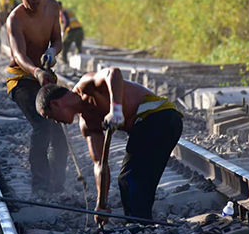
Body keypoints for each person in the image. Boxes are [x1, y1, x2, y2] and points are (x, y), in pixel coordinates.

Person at [35, 67, 183, 223]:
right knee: (140, 178)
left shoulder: (87, 86)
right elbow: (100, 164)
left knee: (129, 178)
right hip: (153, 127)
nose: (56, 122)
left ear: (56, 104)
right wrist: (101, 203)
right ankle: (142, 224)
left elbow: (114, 73)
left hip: (159, 116)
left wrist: (116, 109)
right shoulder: (87, 123)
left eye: (50, 116)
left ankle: (139, 225)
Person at [6, 0, 68, 193]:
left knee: (58, 131)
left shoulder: (52, 7)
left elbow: (58, 40)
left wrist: (52, 51)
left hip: (44, 74)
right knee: (42, 125)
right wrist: (36, 72)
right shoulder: (15, 19)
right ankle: (40, 184)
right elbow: (18, 56)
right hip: (21, 78)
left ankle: (59, 182)